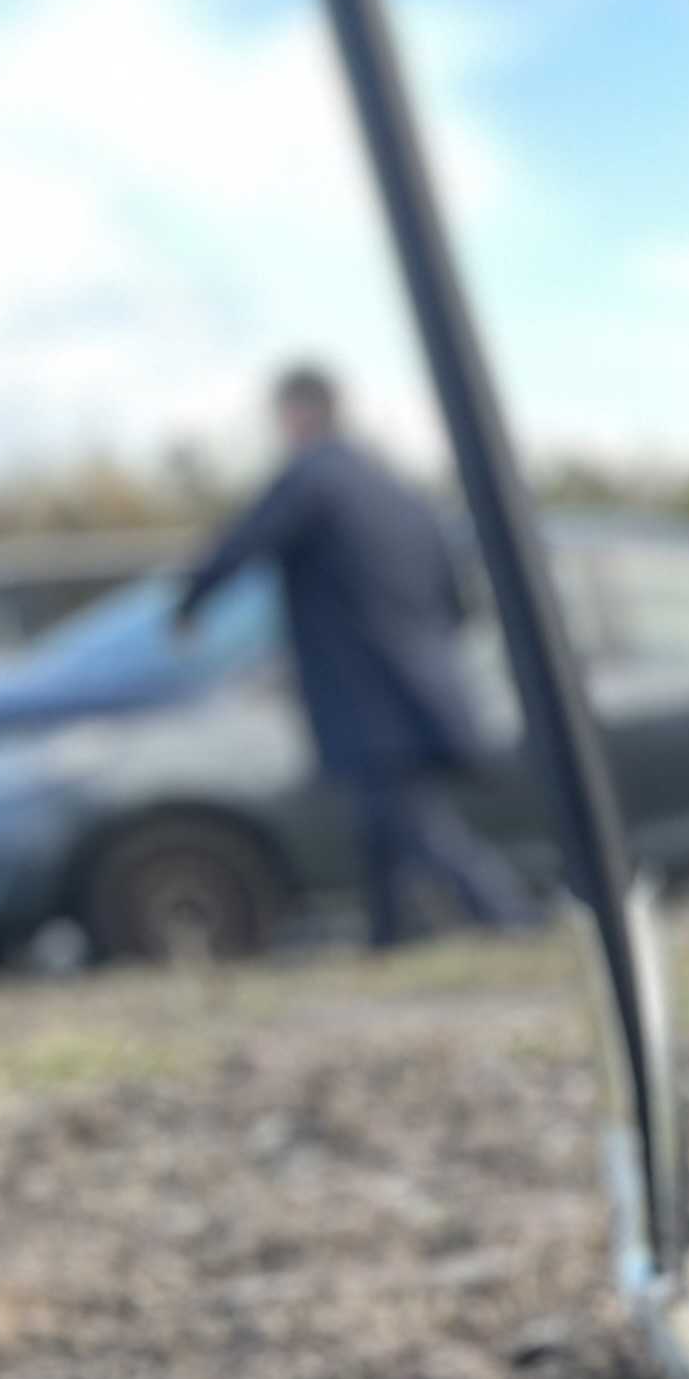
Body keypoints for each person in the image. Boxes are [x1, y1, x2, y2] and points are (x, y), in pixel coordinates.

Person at [173, 364, 537, 948]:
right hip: (422, 682)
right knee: (380, 817)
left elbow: (243, 541)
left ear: (297, 413)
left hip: (365, 686)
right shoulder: (394, 487)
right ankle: (388, 936)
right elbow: (457, 594)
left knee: (408, 820)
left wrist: (189, 602)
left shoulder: (312, 478)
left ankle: (509, 918)